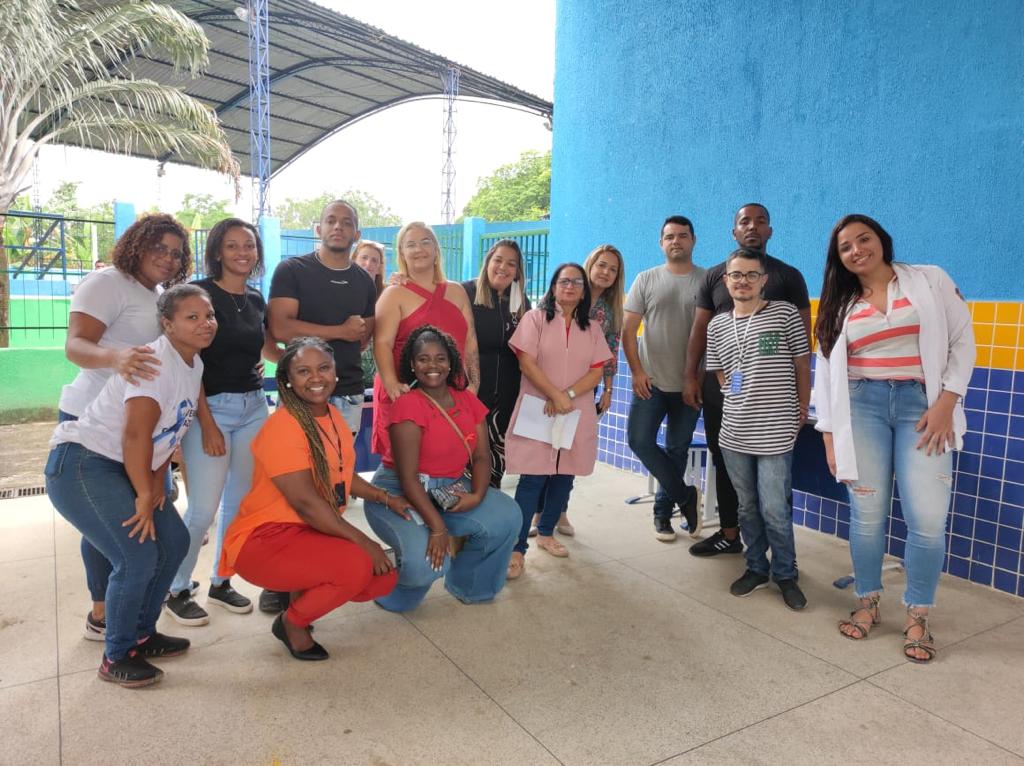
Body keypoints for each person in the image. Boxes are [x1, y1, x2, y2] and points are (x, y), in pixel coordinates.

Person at [814, 214, 975, 663]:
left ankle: (918, 614)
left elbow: (963, 341)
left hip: (923, 409)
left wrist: (946, 403)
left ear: (881, 240)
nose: (857, 250)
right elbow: (825, 373)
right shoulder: (839, 301)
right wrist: (830, 439)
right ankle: (867, 601)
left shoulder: (929, 280)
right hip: (860, 408)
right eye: (846, 247)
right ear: (838, 258)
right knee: (867, 514)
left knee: (927, 518)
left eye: (863, 239)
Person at [45, 284, 215, 687]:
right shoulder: (155, 362)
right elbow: (136, 435)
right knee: (136, 556)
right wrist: (144, 494)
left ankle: (142, 634)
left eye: (209, 315)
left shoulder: (192, 363)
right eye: (192, 317)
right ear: (167, 324)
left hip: (128, 465)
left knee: (174, 542)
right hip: (83, 464)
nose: (206, 323)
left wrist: (156, 486)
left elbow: (167, 435)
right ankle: (116, 655)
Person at [218, 337, 402, 660]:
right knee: (359, 565)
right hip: (264, 539)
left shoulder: (331, 415)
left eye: (323, 368)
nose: (316, 377)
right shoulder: (284, 427)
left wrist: (384, 497)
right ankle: (292, 624)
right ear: (287, 378)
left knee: (382, 578)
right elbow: (306, 503)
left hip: (306, 529)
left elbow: (341, 475)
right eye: (303, 371)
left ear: (335, 371)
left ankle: (298, 594)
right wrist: (365, 542)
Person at [60, 213, 191, 642]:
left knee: (142, 522)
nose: (168, 258)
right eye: (159, 248)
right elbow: (75, 345)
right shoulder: (108, 283)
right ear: (137, 244)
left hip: (139, 425)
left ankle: (134, 623)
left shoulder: (158, 295)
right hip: (91, 420)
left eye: (176, 253)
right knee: (111, 523)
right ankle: (102, 614)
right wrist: (115, 358)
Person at [164, 219, 282, 626]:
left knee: (239, 502)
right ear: (217, 251)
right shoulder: (199, 294)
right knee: (202, 510)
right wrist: (207, 422)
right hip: (210, 408)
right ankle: (175, 587)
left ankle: (221, 580)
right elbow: (189, 360)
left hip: (254, 407)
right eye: (232, 245)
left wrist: (300, 360)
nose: (242, 253)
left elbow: (262, 347)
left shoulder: (255, 298)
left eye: (248, 245)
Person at [264, 200, 376, 615]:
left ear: (357, 234)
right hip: (301, 396)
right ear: (318, 228)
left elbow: (364, 335)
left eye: (347, 222)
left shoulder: (364, 279)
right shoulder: (292, 270)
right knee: (294, 489)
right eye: (331, 220)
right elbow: (281, 327)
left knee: (332, 488)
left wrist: (346, 340)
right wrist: (338, 333)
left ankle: (319, 570)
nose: (338, 227)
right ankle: (279, 579)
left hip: (347, 394)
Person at [683, 204, 811, 557]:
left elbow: (803, 342)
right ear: (734, 231)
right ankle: (729, 534)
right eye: (744, 222)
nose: (752, 227)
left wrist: (801, 400)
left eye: (760, 221)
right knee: (726, 463)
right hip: (723, 392)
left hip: (771, 400)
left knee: (773, 483)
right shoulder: (715, 276)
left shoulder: (789, 277)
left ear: (770, 230)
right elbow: (700, 329)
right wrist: (691, 377)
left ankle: (779, 553)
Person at [362, 326, 520, 611]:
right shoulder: (408, 405)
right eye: (423, 359)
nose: (432, 366)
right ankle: (385, 585)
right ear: (412, 364)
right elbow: (408, 478)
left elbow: (482, 456)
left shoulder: (468, 401)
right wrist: (437, 529)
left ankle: (470, 586)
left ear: (451, 363)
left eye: (440, 358)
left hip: (449, 487)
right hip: (399, 493)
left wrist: (477, 496)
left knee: (507, 517)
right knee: (428, 565)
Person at [706, 249, 810, 609]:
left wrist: (801, 407)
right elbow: (719, 369)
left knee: (774, 508)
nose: (743, 281)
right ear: (726, 281)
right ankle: (755, 567)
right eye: (736, 275)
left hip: (776, 428)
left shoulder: (783, 313)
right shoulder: (717, 325)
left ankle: (785, 573)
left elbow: (802, 362)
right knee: (747, 507)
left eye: (752, 275)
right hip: (734, 431)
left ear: (763, 280)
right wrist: (732, 393)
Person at [506, 264, 612, 578]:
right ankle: (517, 548)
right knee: (533, 479)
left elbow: (596, 370)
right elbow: (526, 362)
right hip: (540, 408)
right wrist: (554, 394)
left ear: (583, 291)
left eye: (577, 282)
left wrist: (567, 395)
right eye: (564, 281)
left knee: (565, 474)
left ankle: (547, 532)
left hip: (574, 410)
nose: (570, 286)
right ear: (553, 287)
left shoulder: (592, 328)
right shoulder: (535, 319)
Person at [623, 217, 705, 542]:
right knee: (639, 440)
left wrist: (697, 379)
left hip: (690, 385)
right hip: (651, 382)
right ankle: (686, 497)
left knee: (676, 450)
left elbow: (712, 334)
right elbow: (628, 331)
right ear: (661, 243)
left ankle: (662, 515)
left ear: (693, 240)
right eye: (669, 236)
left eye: (682, 236)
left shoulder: (707, 280)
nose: (676, 241)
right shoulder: (646, 279)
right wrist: (637, 371)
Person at [372, 221, 479, 462]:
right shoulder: (394, 294)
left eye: (425, 242)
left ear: (436, 249)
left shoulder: (457, 291)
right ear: (402, 253)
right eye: (411, 244)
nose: (419, 249)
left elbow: (470, 341)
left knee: (449, 459)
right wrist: (391, 384)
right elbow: (381, 343)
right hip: (406, 394)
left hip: (451, 392)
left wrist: (473, 384)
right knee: (405, 466)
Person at [462, 239, 531, 488]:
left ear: (517, 271)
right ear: (488, 261)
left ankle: (490, 504)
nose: (503, 267)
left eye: (511, 264)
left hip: (507, 393)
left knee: (496, 459)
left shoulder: (520, 301)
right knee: (467, 456)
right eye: (498, 260)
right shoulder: (466, 292)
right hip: (472, 389)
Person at [354, 239, 386, 389]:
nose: (368, 264)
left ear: (379, 268)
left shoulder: (388, 294)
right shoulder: (341, 292)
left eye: (374, 260)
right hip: (350, 373)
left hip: (380, 375)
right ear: (354, 260)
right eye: (364, 258)